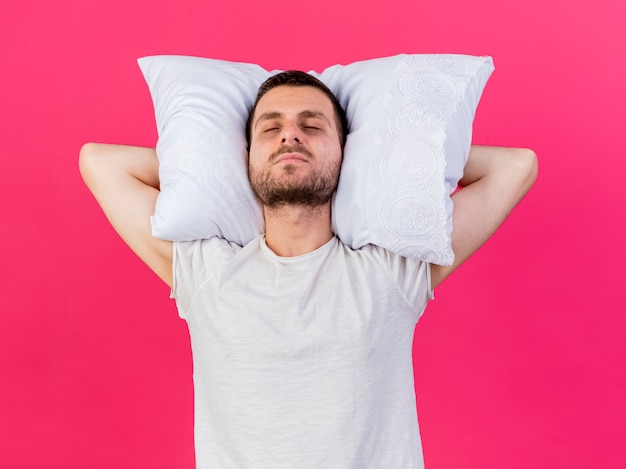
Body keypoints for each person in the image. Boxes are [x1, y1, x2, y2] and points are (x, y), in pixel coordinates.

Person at [79, 71, 537, 468]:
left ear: (347, 154)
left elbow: (517, 166)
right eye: (270, 129)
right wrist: (201, 164)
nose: (289, 136)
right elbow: (98, 161)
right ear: (244, 155)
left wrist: (380, 160)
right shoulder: (207, 272)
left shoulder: (390, 272)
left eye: (312, 126)